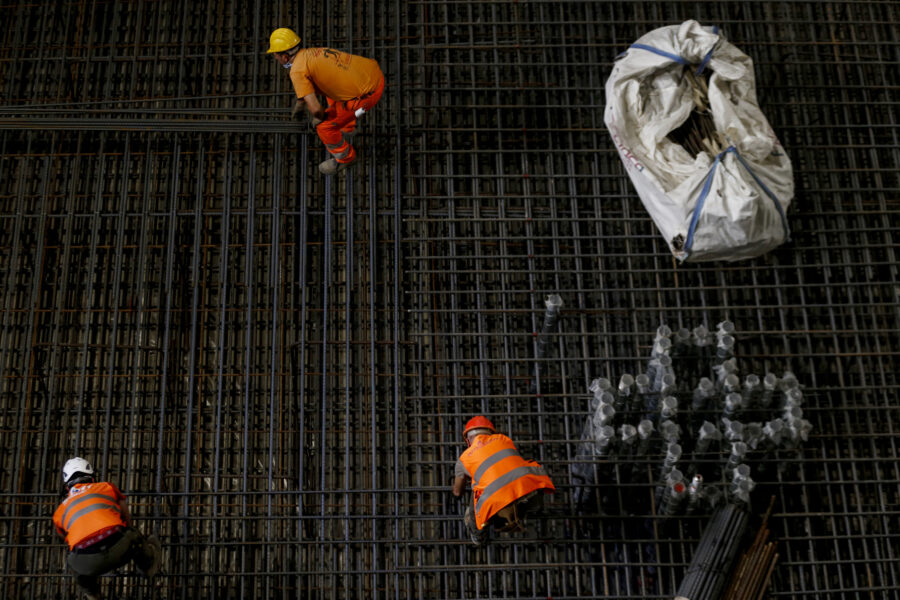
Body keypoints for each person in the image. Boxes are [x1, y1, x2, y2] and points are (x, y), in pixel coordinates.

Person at [267, 27, 385, 176]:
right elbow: (312, 84)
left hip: (367, 97)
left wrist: (320, 117)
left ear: (284, 57)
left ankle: (346, 158)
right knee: (330, 94)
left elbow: (316, 110)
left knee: (324, 127)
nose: (275, 58)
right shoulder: (311, 53)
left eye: (275, 55)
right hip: (373, 73)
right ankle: (348, 128)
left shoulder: (296, 70)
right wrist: (300, 103)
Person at [52, 457, 161, 600]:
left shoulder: (60, 511)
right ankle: (148, 566)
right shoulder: (106, 487)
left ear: (67, 487)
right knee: (132, 533)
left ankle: (92, 594)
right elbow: (126, 519)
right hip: (119, 548)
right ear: (92, 478)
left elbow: (63, 539)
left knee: (72, 561)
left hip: (87, 563)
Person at [452, 416, 555, 546]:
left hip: (496, 500)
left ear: (468, 440)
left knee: (475, 499)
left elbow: (457, 491)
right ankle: (523, 508)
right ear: (491, 432)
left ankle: (478, 536)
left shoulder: (464, 458)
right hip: (527, 488)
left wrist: (461, 490)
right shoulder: (504, 439)